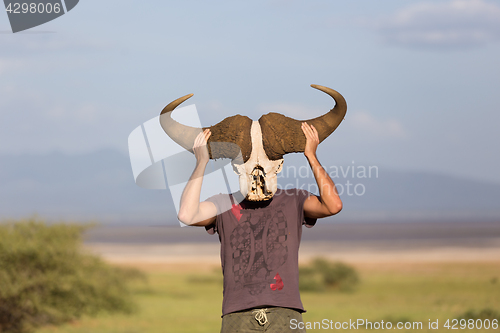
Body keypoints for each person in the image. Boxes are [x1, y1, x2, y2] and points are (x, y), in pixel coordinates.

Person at [177, 122, 343, 333]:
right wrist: (201, 162)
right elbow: (186, 214)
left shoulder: (294, 199)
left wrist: (311, 155)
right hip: (237, 314)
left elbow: (333, 205)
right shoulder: (223, 204)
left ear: (279, 166)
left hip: (285, 311)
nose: (257, 173)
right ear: (236, 168)